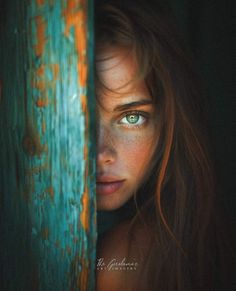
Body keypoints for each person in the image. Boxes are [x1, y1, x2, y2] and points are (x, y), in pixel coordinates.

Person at [94, 0, 234, 290]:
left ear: (168, 123)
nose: (100, 155)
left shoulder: (120, 262)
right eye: (83, 120)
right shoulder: (189, 231)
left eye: (132, 117)